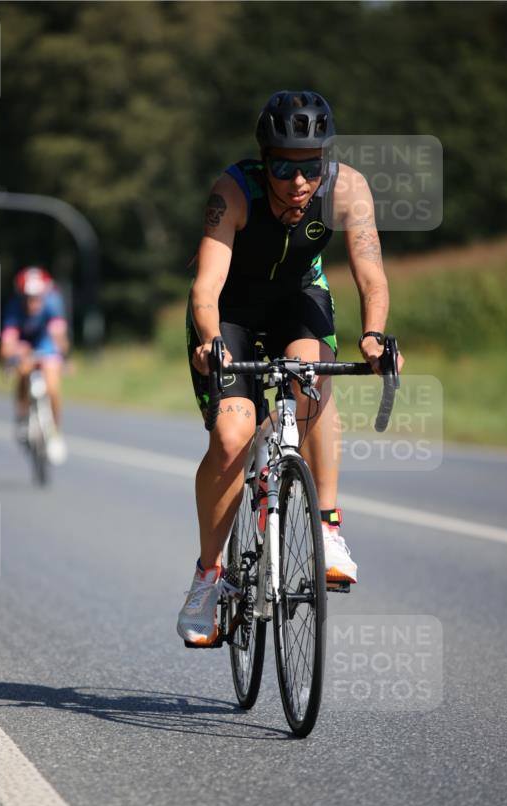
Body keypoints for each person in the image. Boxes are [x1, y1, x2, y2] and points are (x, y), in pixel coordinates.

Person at [177, 90, 404, 646]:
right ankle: (207, 577)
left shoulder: (347, 189)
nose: (299, 181)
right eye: (283, 166)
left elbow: (371, 275)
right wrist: (211, 342)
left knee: (312, 378)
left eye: (310, 167)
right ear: (264, 159)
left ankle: (327, 527)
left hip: (299, 298)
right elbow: (206, 288)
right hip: (230, 308)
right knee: (231, 437)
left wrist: (373, 335)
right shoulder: (233, 191)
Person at [0, 267, 70, 464]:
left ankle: (55, 432)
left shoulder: (53, 303)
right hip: (23, 344)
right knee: (23, 370)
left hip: (45, 343)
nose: (33, 303)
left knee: (53, 387)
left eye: (38, 297)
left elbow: (59, 335)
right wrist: (10, 358)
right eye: (29, 298)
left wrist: (63, 356)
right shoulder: (14, 308)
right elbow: (7, 342)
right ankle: (22, 417)